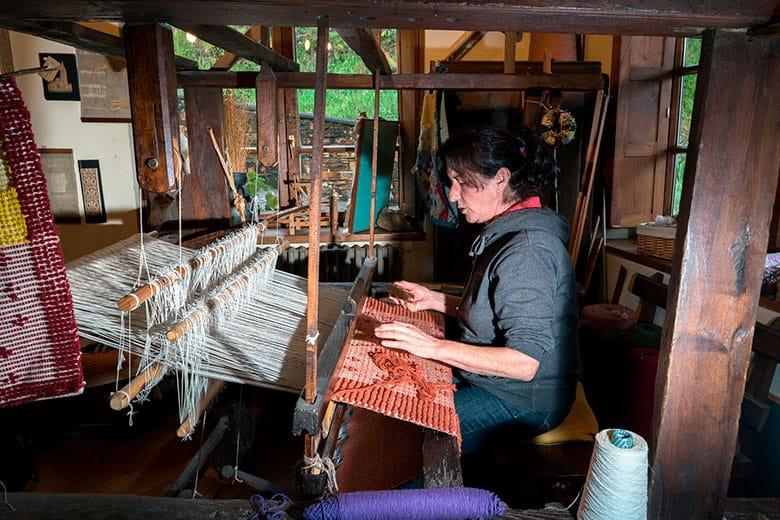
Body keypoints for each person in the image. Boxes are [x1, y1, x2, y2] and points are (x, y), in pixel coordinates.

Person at [375, 126, 579, 455]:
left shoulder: (528, 249)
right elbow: (493, 311)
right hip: (499, 385)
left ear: (500, 178)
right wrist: (435, 299)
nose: (453, 195)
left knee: (413, 438)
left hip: (525, 402)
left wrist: (433, 347)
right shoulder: (507, 230)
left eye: (462, 182)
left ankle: (403, 503)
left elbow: (524, 364)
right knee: (399, 406)